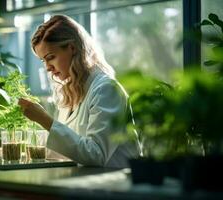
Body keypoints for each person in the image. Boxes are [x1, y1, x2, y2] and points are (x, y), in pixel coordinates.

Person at [18, 15, 140, 168]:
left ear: (72, 48)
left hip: (115, 185)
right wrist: (19, 148)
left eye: (51, 57)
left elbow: (96, 154)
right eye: (44, 60)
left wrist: (44, 119)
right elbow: (68, 148)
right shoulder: (70, 92)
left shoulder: (106, 89)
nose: (47, 67)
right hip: (85, 183)